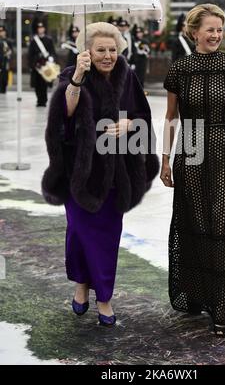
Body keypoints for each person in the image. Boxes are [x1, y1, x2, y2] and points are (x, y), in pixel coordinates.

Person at [42, 22, 159, 326]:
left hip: (114, 174)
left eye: (112, 50)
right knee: (79, 233)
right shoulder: (73, 74)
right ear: (88, 52)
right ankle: (81, 285)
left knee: (107, 237)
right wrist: (78, 77)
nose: (108, 56)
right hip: (79, 173)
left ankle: (104, 297)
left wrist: (130, 125)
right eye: (100, 50)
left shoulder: (127, 75)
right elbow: (63, 116)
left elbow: (143, 116)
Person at [161, 4, 225, 337]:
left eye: (220, 29)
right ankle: (199, 296)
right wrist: (164, 158)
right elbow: (171, 118)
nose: (216, 35)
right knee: (194, 223)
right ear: (194, 32)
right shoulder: (179, 69)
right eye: (210, 29)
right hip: (190, 150)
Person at [28, 18, 57, 107]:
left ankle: (43, 101)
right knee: (37, 84)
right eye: (39, 28)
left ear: (44, 29)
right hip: (37, 66)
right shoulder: (33, 41)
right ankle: (39, 100)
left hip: (46, 65)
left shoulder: (49, 40)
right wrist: (34, 61)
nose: (40, 29)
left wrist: (51, 58)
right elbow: (30, 54)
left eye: (42, 28)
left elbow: (52, 52)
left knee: (44, 84)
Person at [0, 25, 13, 94]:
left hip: (6, 61)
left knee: (5, 76)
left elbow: (11, 51)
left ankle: (4, 89)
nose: (1, 33)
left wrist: (8, 53)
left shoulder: (8, 41)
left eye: (3, 31)